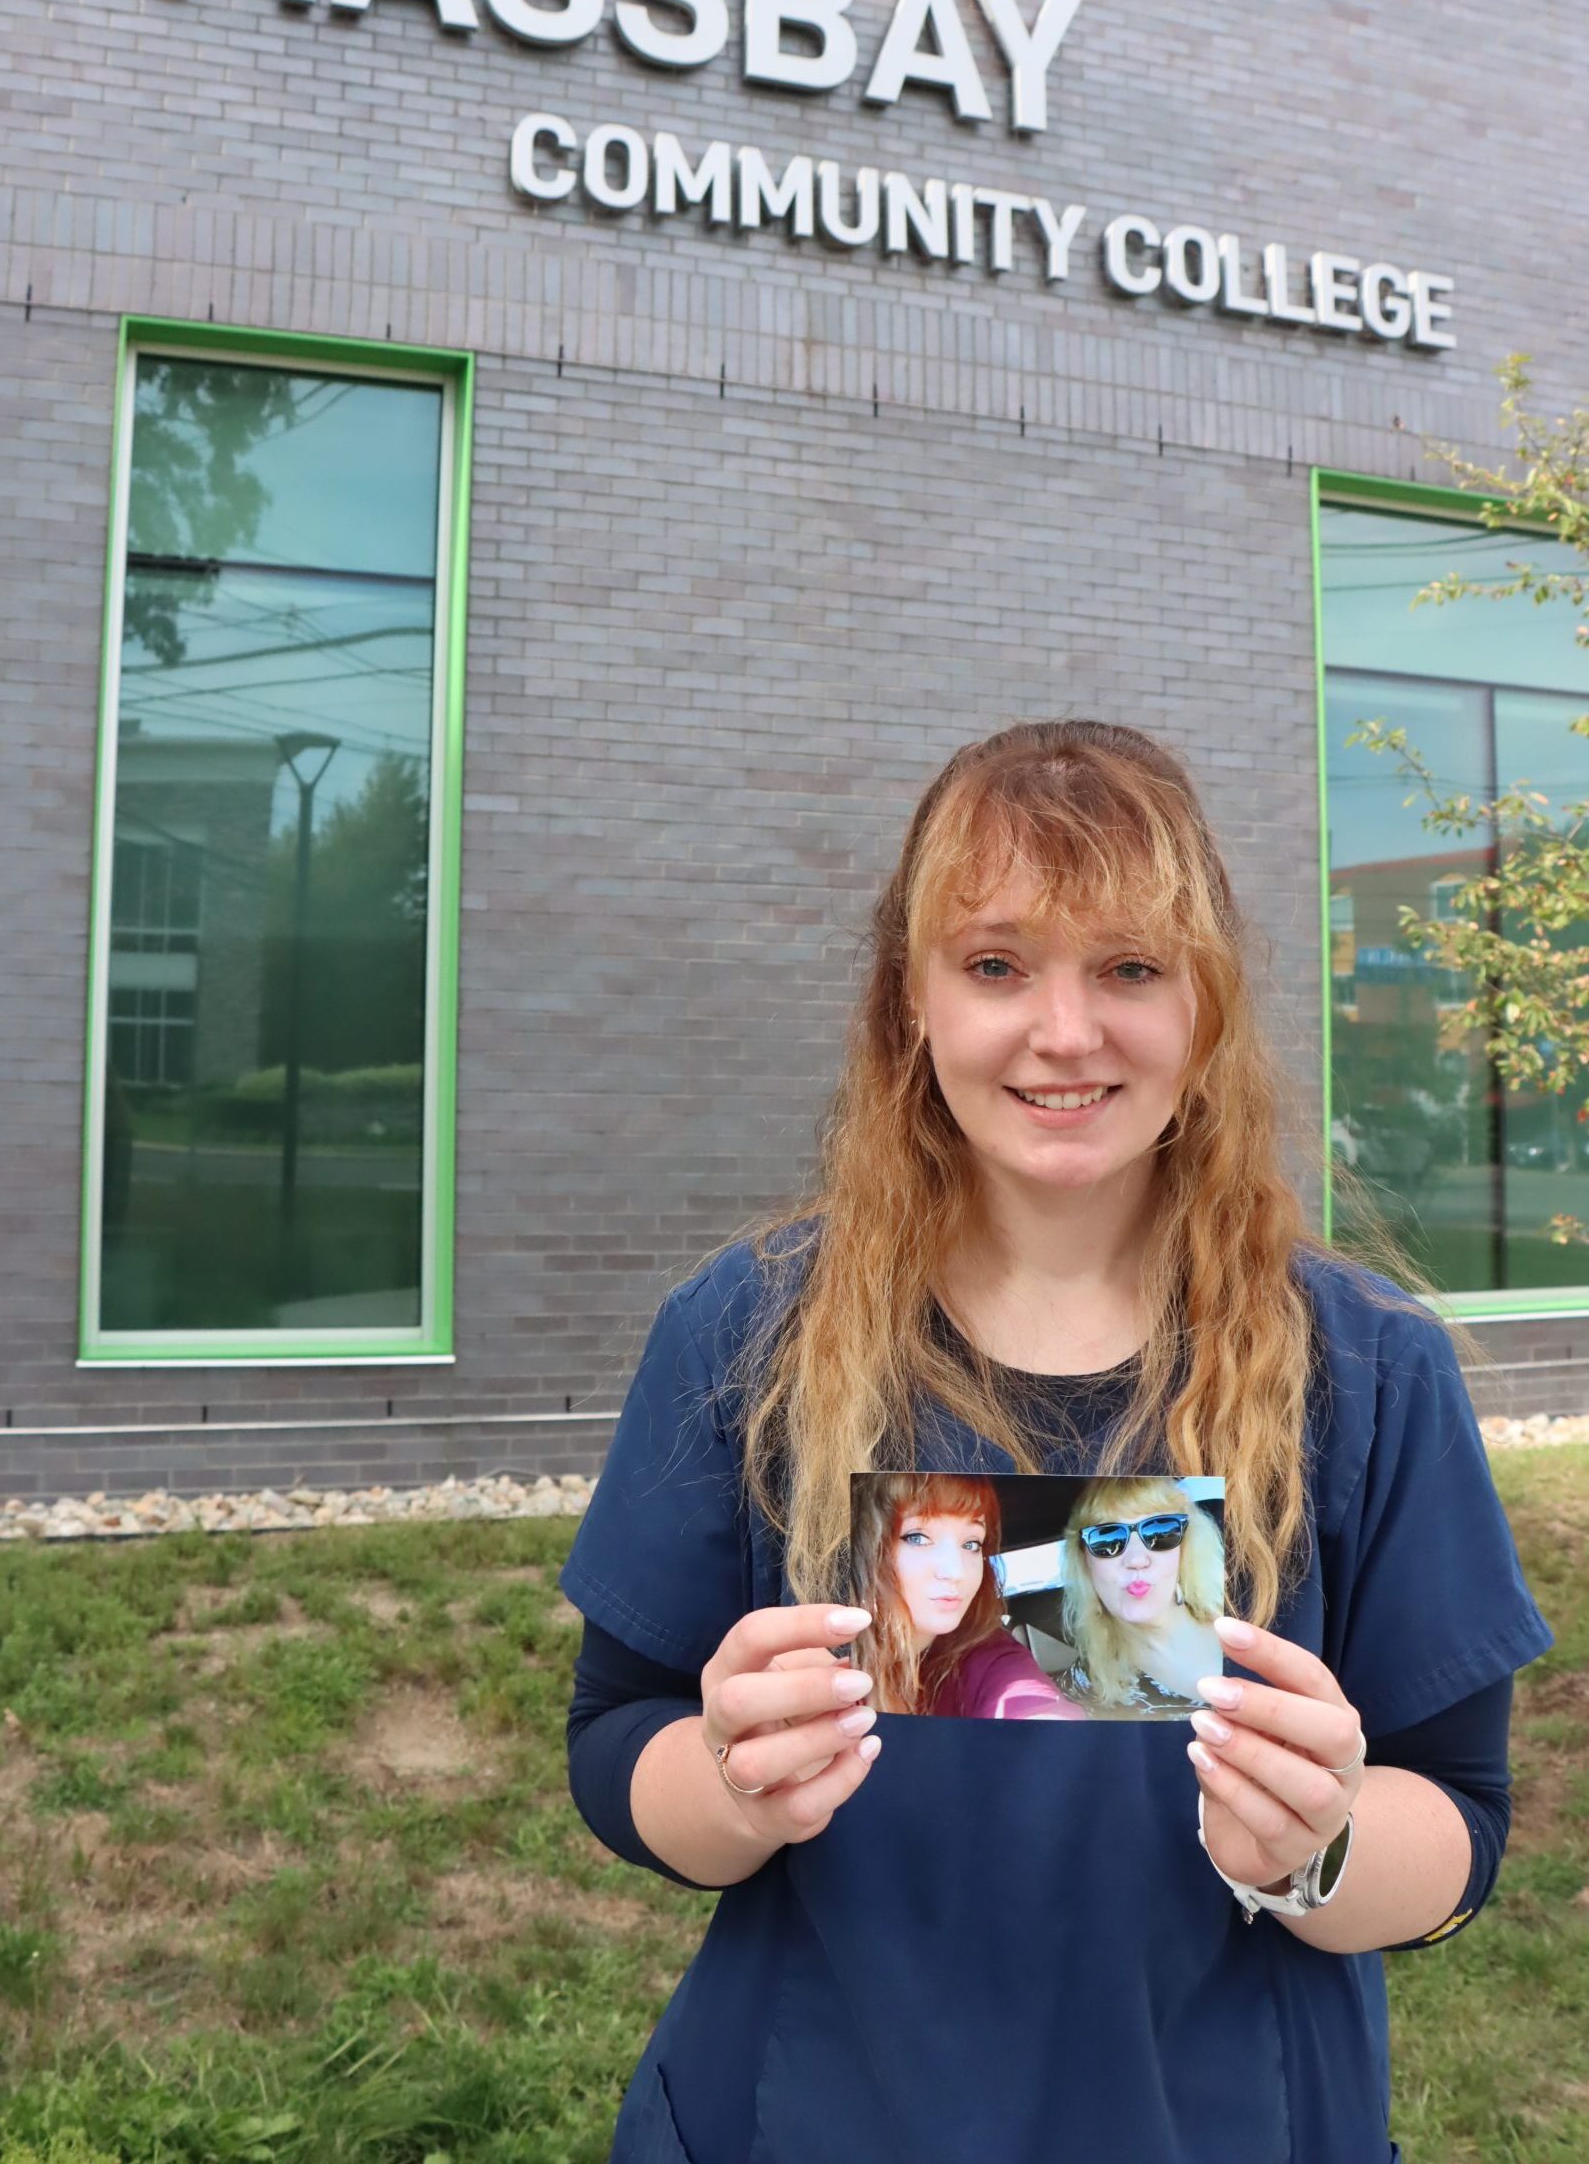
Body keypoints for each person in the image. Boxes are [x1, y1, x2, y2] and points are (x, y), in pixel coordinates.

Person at [561, 719, 1551, 2164]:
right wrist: (720, 1786)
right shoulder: (744, 1337)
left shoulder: (1362, 1366)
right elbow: (616, 1739)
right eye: (995, 964)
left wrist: (1317, 1846)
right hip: (808, 2119)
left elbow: (1455, 1824)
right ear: (911, 1001)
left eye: (1129, 969)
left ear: (1201, 1006)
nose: (1065, 1032)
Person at [847, 1469, 1086, 1720]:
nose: (956, 1571)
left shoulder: (985, 1652)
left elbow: (1028, 1702)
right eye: (917, 1537)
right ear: (865, 1549)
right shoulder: (829, 1665)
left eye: (971, 1544)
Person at [1055, 1474, 1226, 1715]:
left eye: (1161, 1532)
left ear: (1185, 1549)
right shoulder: (1088, 1682)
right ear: (1085, 1563)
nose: (1136, 1560)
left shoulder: (1247, 1625)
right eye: (1108, 1539)